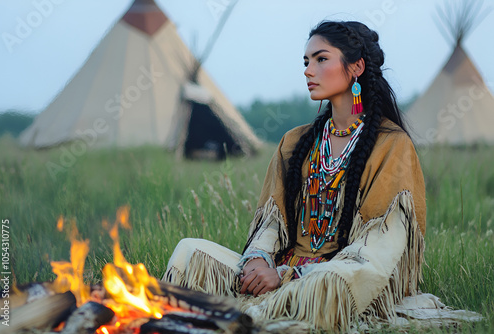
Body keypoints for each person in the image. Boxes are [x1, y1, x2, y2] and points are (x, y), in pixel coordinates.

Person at [162, 20, 466, 331]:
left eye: (321, 59)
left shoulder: (391, 145)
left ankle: (255, 314)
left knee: (331, 281)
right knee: (189, 250)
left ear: (356, 67)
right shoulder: (295, 141)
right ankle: (250, 309)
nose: (308, 70)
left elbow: (379, 248)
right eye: (306, 62)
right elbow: (271, 222)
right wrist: (257, 261)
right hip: (280, 270)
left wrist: (287, 276)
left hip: (339, 276)